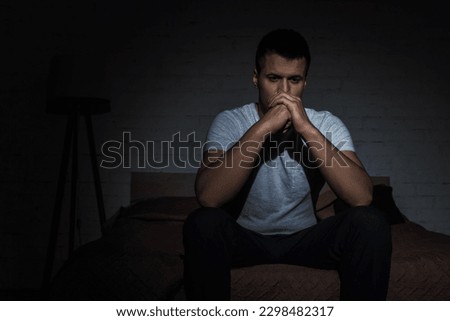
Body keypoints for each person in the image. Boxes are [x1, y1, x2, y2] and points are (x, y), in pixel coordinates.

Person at [183, 29, 392, 300]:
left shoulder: (326, 123)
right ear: (255, 78)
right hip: (245, 238)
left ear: (305, 83)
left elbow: (362, 196)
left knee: (371, 222)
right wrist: (264, 127)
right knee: (203, 223)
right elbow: (209, 196)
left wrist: (306, 128)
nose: (284, 91)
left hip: (305, 239)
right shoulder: (231, 121)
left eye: (294, 80)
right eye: (273, 78)